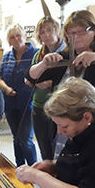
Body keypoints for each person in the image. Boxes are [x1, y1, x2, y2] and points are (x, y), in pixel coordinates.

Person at [0, 24, 39, 167]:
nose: (16, 39)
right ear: (9, 41)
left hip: (29, 104)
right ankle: (19, 167)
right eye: (12, 37)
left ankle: (34, 169)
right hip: (10, 103)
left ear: (24, 36)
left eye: (18, 35)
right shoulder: (7, 56)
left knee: (25, 139)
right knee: (16, 138)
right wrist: (7, 88)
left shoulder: (36, 54)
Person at [31, 17, 66, 160]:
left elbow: (72, 81)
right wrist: (31, 82)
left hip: (61, 108)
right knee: (45, 150)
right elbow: (30, 78)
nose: (46, 35)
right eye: (42, 32)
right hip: (39, 106)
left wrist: (49, 83)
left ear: (57, 30)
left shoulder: (67, 53)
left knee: (60, 150)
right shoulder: (38, 55)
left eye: (49, 30)